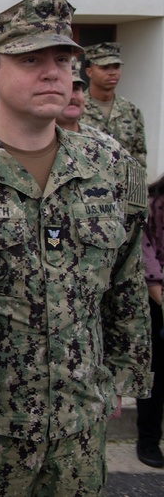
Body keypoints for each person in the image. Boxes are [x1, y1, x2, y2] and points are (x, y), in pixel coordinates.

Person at [0, 0, 151, 496]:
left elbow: (125, 281)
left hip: (78, 429)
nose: (53, 74)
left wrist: (120, 377)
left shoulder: (109, 165)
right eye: (31, 60)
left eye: (62, 60)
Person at [80, 42, 147, 167]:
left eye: (116, 67)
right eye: (104, 68)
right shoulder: (75, 108)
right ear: (89, 72)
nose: (112, 73)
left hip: (123, 184)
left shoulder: (131, 111)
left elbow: (139, 156)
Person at [137, 174, 164, 468]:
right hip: (156, 297)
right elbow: (146, 253)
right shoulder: (152, 202)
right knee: (156, 375)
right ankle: (148, 439)